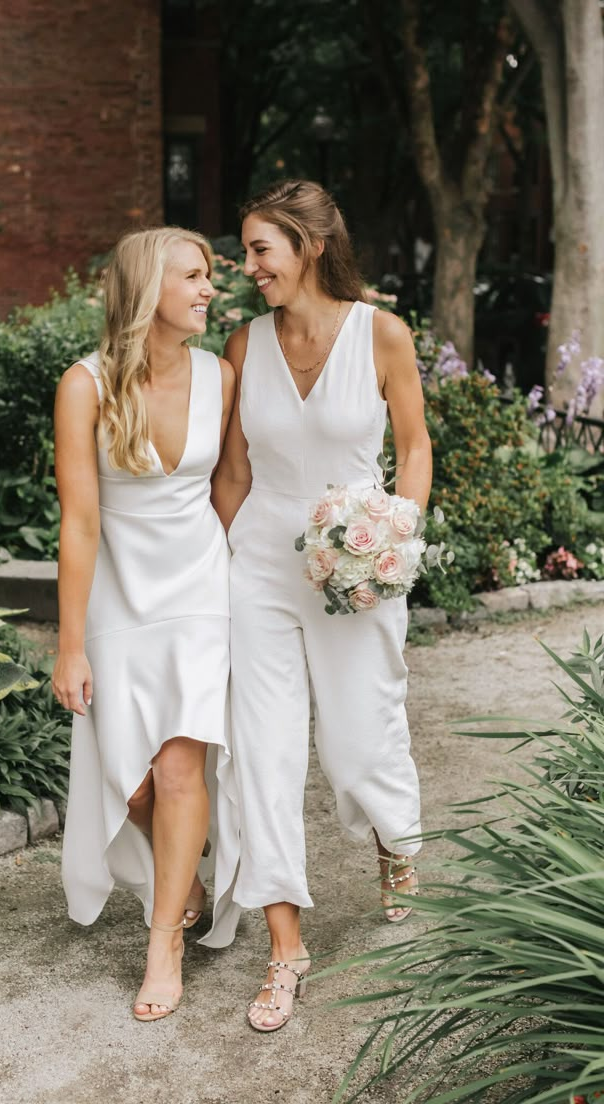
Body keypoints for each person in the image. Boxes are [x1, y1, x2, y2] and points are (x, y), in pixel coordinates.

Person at [212, 180, 432, 1033]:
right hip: (260, 567)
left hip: (356, 565)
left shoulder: (382, 334)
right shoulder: (243, 343)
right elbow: (233, 472)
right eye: (243, 250)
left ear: (307, 247)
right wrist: (209, 567)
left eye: (259, 249)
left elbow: (412, 448)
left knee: (353, 745)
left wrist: (392, 539)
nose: (247, 266)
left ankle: (394, 839)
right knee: (262, 755)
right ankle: (285, 949)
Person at [53, 226, 240, 1023]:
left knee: (177, 773)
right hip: (119, 601)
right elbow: (80, 525)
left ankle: (162, 944)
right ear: (146, 291)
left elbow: (232, 489)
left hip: (202, 590)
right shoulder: (84, 385)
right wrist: (68, 647)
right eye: (193, 277)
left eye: (210, 277)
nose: (209, 290)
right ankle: (184, 878)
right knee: (129, 783)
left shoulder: (222, 376)